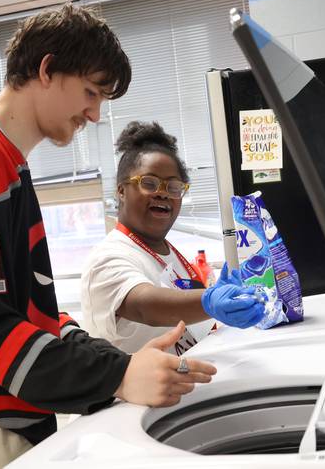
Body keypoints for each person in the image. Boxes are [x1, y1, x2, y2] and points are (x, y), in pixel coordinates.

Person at [0, 4, 216, 469]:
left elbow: (31, 314)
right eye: (90, 92)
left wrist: (114, 364)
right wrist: (118, 375)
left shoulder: (1, 161)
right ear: (47, 69)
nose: (95, 114)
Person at [80, 121, 264, 355]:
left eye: (174, 187)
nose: (163, 193)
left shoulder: (169, 253)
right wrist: (209, 301)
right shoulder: (107, 258)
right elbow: (145, 306)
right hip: (139, 391)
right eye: (149, 183)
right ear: (121, 191)